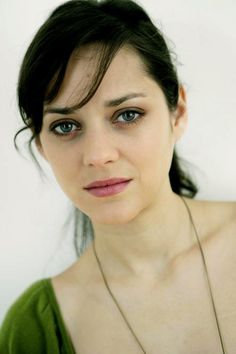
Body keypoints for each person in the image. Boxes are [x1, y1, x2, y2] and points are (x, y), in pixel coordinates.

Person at [0, 0, 235, 353]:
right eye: (65, 126)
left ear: (178, 113)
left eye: (127, 115)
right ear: (41, 145)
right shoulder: (33, 330)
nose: (98, 155)